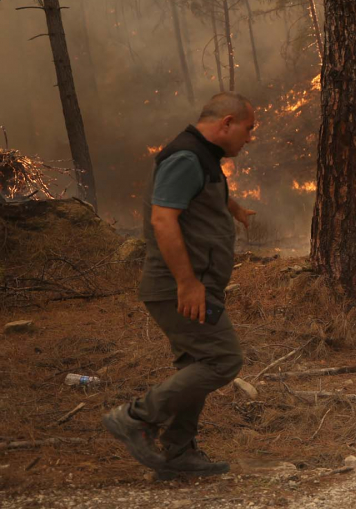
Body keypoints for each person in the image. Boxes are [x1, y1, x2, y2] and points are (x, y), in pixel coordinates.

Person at [102, 92, 256, 480]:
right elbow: (163, 221)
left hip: (192, 285)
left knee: (196, 363)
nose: (249, 138)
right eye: (248, 128)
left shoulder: (201, 156)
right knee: (223, 361)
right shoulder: (187, 157)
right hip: (177, 287)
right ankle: (136, 418)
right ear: (226, 123)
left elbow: (196, 196)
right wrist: (187, 284)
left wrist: (233, 208)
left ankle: (177, 453)